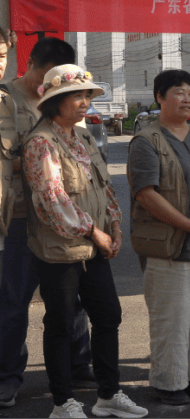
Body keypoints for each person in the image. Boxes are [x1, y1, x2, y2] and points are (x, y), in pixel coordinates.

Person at [23, 65, 147, 419]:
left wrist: (116, 227)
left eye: (87, 95)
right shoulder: (40, 143)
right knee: (61, 324)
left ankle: (109, 394)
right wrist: (96, 232)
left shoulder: (83, 137)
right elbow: (53, 200)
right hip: (60, 250)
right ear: (55, 101)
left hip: (95, 246)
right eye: (77, 96)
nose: (84, 102)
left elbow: (105, 187)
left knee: (109, 315)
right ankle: (63, 403)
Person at [0, 38, 96, 410]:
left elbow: (80, 153)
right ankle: (8, 376)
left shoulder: (65, 96)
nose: (49, 84)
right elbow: (13, 161)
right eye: (45, 75)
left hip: (64, 215)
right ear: (32, 65)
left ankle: (78, 362)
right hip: (22, 217)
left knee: (72, 296)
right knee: (14, 299)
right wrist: (45, 160)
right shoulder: (6, 99)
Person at [128, 70, 190, 405]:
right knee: (171, 317)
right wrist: (186, 224)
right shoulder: (146, 140)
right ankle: (168, 383)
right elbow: (145, 193)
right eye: (178, 92)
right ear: (159, 97)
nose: (188, 99)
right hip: (168, 244)